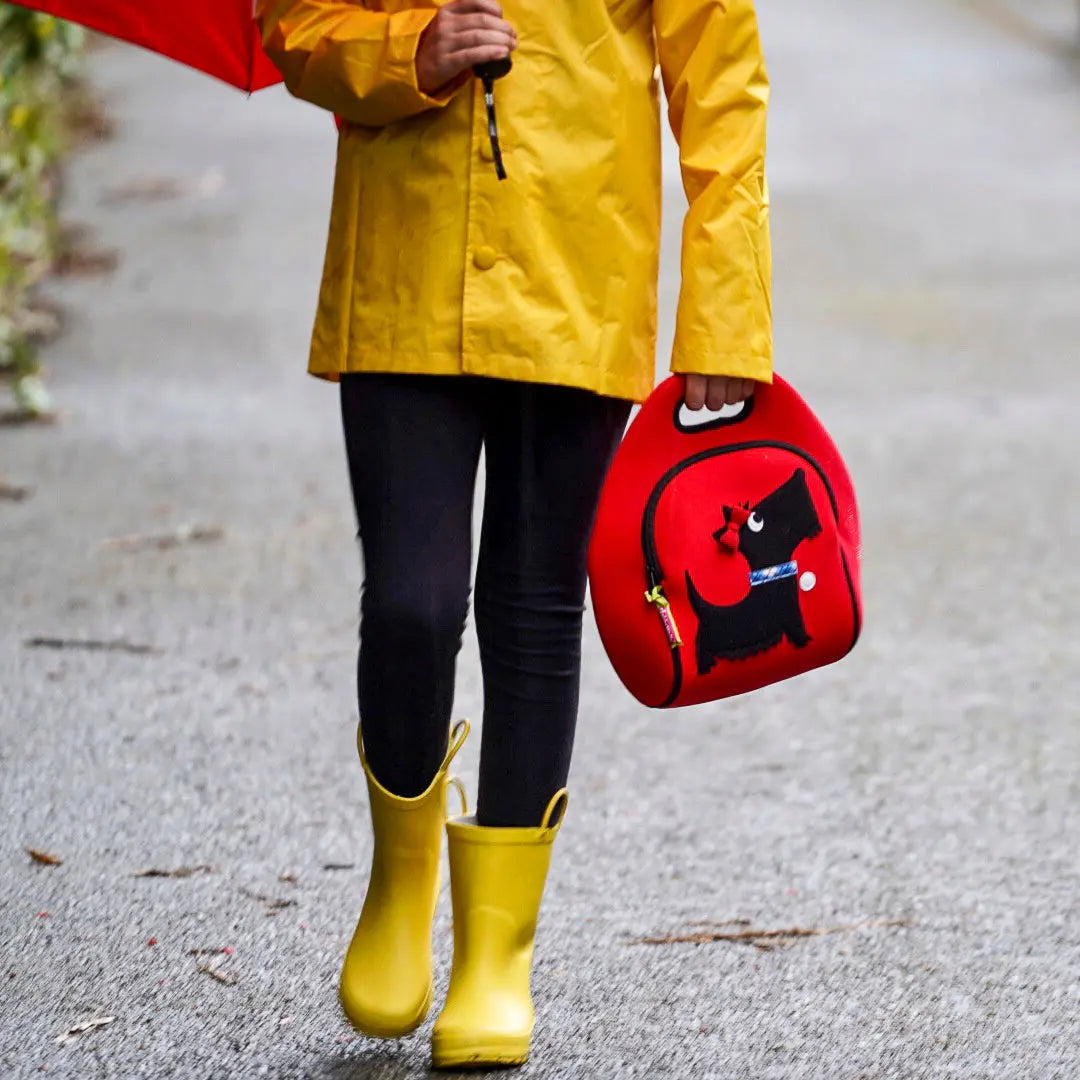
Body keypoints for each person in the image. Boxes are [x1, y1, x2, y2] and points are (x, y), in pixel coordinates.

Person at [255, 0, 771, 1068]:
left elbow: (723, 91)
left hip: (578, 269)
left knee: (533, 612)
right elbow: (297, 26)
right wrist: (411, 51)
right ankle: (400, 890)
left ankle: (497, 957)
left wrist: (724, 314)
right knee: (411, 603)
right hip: (402, 271)